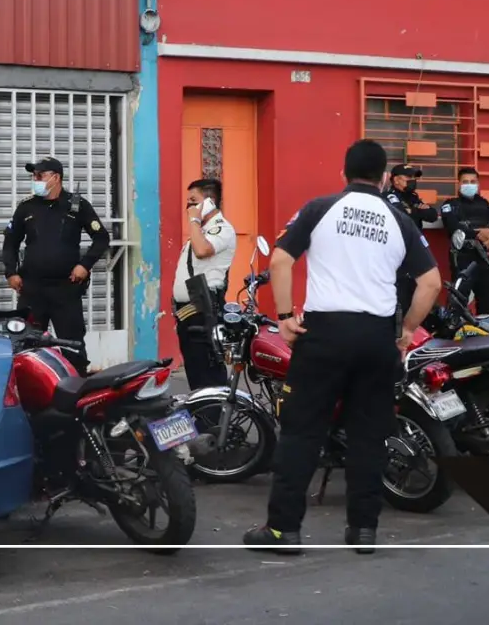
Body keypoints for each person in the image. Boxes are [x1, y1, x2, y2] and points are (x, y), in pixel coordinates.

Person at [244, 139, 441, 555]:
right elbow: (431, 283)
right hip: (376, 339)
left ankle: (283, 531)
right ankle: (363, 530)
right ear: (386, 177)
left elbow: (280, 260)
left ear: (344, 173)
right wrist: (406, 329)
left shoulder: (319, 209)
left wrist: (283, 318)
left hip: (325, 335)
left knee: (301, 432)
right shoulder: (399, 218)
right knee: (369, 437)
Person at [2, 157, 110, 376]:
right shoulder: (26, 207)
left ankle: (76, 393)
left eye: (40, 175)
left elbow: (101, 238)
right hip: (32, 289)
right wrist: (11, 272)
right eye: (34, 176)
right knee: (28, 345)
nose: (36, 180)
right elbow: (10, 242)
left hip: (65, 289)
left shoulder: (76, 205)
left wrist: (84, 265)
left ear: (56, 177)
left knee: (72, 345)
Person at [171, 178, 237, 391]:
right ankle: (203, 419)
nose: (188, 207)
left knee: (207, 377)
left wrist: (194, 221)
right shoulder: (200, 232)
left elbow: (202, 251)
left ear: (209, 202)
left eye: (193, 201)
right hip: (189, 314)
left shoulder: (221, 229)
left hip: (204, 313)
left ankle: (214, 421)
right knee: (196, 376)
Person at [440, 166, 489, 316]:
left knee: (488, 294)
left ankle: (484, 331)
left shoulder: (485, 204)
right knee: (459, 299)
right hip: (463, 259)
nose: (469, 184)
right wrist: (478, 235)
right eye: (465, 181)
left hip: (483, 257)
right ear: (459, 184)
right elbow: (452, 226)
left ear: (478, 184)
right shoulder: (450, 205)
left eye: (473, 181)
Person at [384, 164, 438, 318]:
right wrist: (417, 211)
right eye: (409, 178)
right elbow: (401, 217)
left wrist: (413, 211)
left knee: (419, 292)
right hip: (398, 255)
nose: (413, 181)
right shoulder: (390, 196)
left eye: (414, 178)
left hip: (415, 251)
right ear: (396, 180)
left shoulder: (413, 197)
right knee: (401, 298)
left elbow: (432, 215)